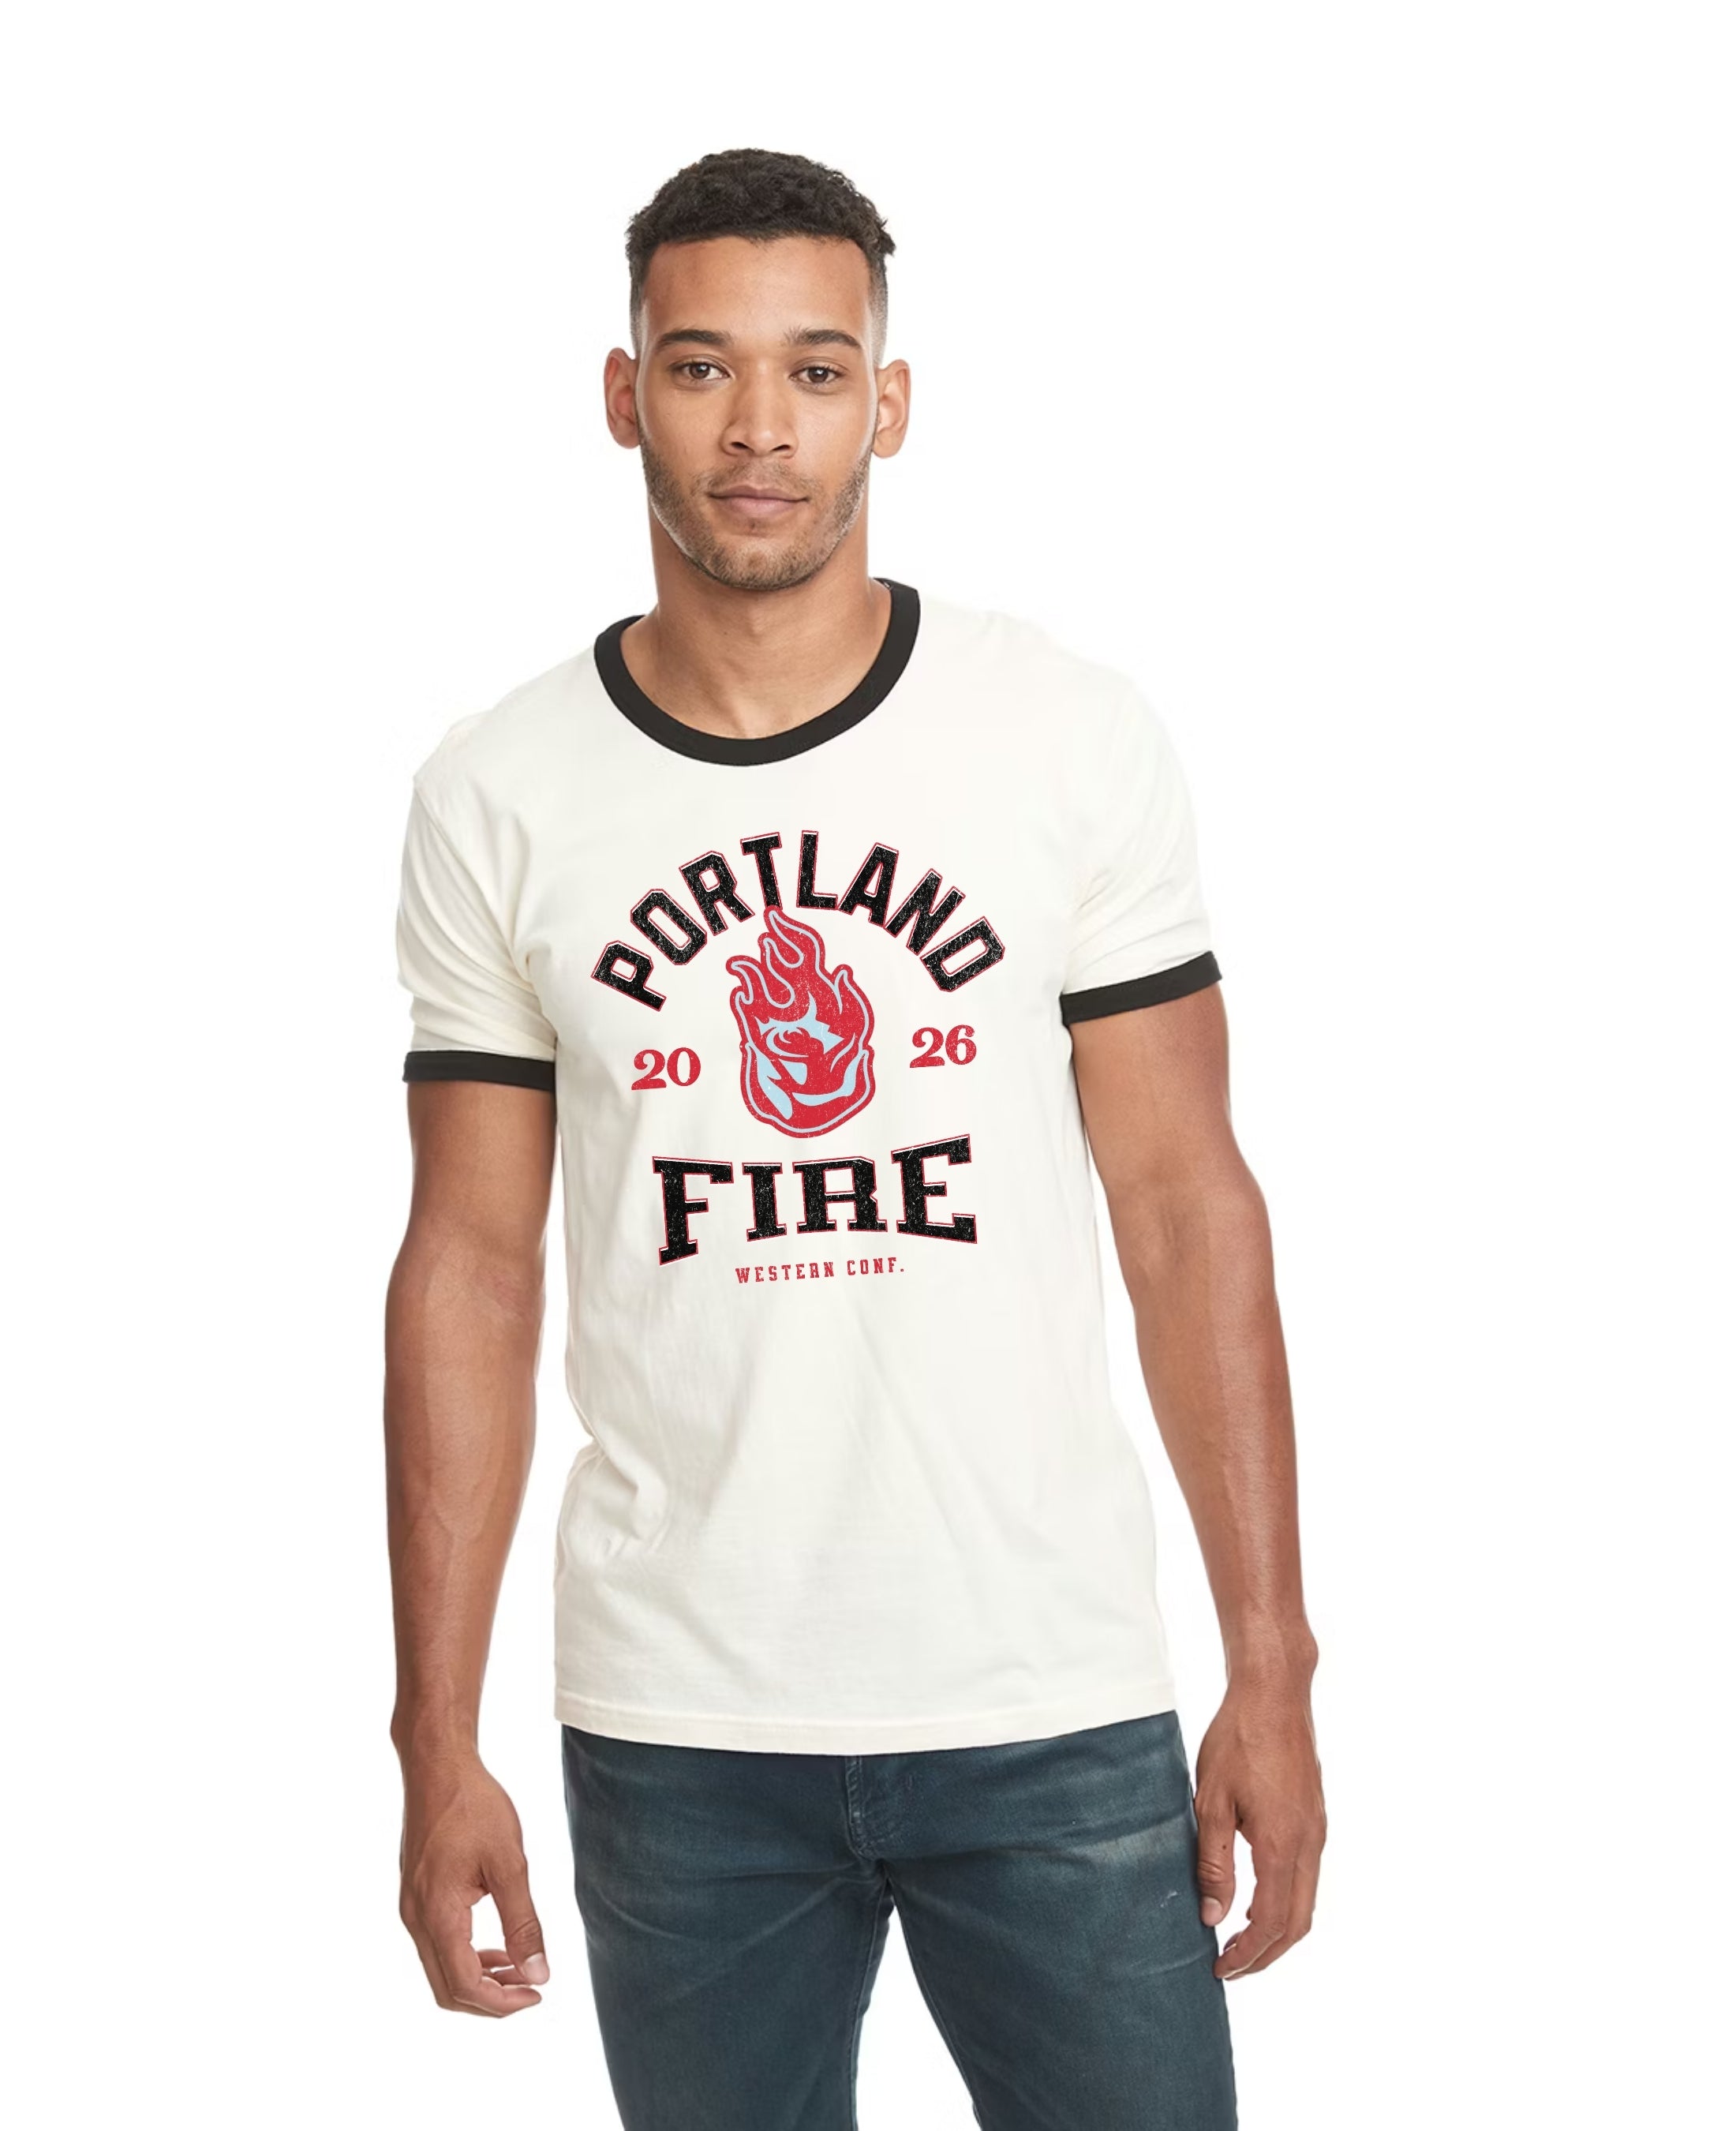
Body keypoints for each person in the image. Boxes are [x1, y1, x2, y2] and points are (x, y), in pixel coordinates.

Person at [385, 145, 1324, 2129]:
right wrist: (432, 1739)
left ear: (885, 404)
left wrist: (1272, 1663)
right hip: (675, 1722)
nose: (760, 428)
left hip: (1046, 1688)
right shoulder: (502, 790)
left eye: (814, 372)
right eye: (702, 366)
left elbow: (1182, 1204)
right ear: (623, 393)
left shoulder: (1059, 733)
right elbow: (465, 1267)